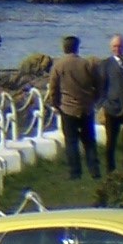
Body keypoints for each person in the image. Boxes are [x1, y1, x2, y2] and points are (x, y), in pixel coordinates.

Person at [49, 33, 103, 180]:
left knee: (71, 142)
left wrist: (56, 105)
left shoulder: (58, 66)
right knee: (89, 141)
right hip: (86, 108)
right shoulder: (87, 64)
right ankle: (94, 171)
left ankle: (75, 173)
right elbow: (98, 85)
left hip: (67, 109)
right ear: (77, 47)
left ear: (64, 48)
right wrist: (94, 100)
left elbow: (53, 89)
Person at [102, 33, 123, 172]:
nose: (117, 49)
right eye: (115, 46)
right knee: (111, 141)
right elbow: (100, 86)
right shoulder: (105, 65)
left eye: (120, 46)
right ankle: (110, 169)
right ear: (111, 47)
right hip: (112, 108)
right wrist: (104, 103)